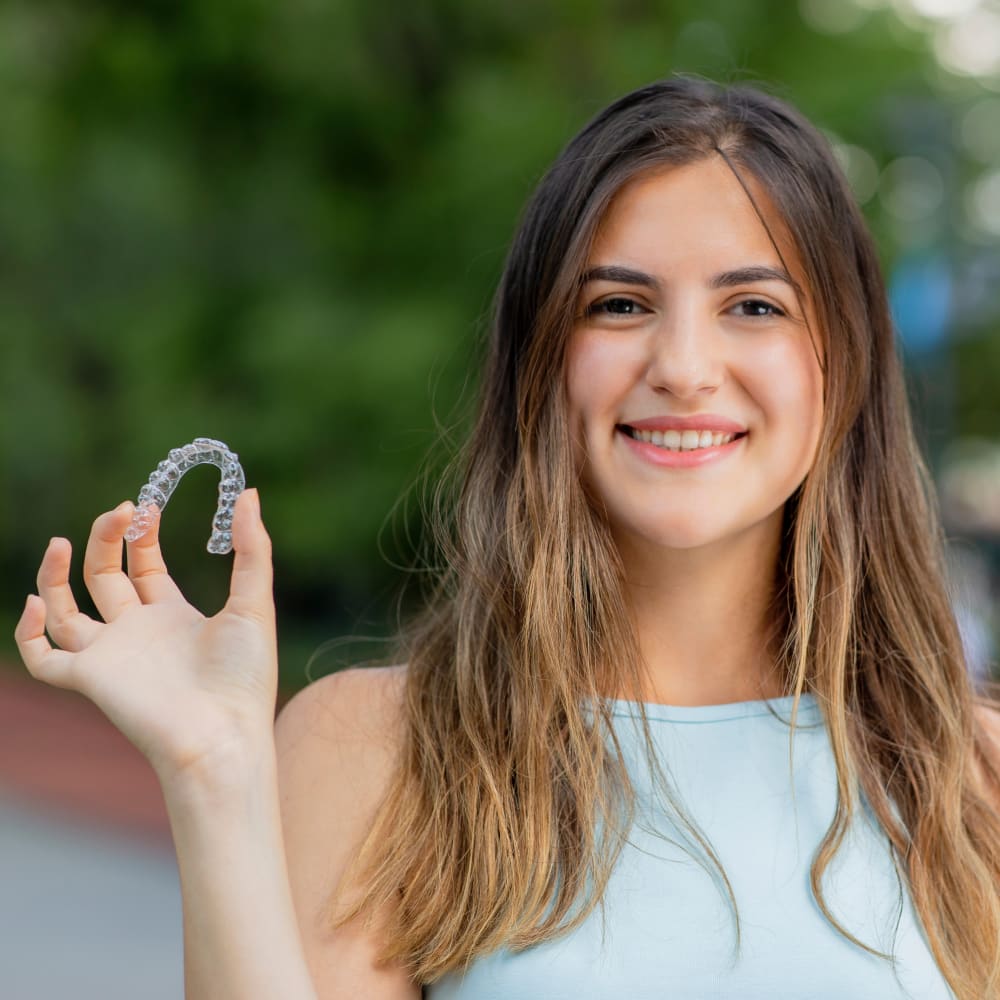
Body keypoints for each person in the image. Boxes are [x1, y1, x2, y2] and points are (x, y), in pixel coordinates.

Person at [14, 77, 1000, 1000]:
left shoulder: (977, 780)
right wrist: (212, 772)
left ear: (846, 364)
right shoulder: (379, 749)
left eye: (753, 305)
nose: (685, 366)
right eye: (620, 304)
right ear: (540, 363)